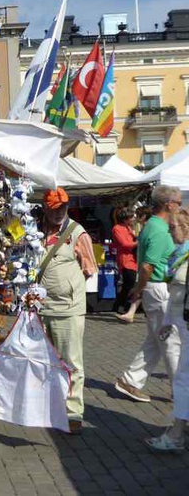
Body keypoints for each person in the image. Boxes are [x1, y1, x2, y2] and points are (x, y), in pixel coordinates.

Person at [115, 185, 183, 403]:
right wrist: (139, 287)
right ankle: (179, 391)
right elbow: (147, 266)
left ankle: (131, 381)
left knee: (156, 340)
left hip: (155, 288)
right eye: (179, 202)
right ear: (168, 204)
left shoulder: (152, 226)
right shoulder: (159, 229)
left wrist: (140, 288)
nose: (180, 207)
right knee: (170, 341)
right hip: (158, 288)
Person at [39, 188, 98, 434]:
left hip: (68, 309)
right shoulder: (38, 230)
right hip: (42, 309)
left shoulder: (77, 232)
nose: (59, 213)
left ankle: (73, 413)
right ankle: (53, 408)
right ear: (46, 209)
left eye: (62, 208)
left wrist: (71, 290)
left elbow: (90, 269)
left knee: (72, 362)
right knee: (48, 362)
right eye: (54, 209)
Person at [146, 208, 189, 452]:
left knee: (183, 379)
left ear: (185, 228)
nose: (169, 232)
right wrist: (167, 323)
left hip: (187, 326)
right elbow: (177, 297)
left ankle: (176, 434)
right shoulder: (179, 256)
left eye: (173, 228)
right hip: (182, 325)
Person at [111, 207, 139, 316]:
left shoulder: (128, 227)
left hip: (132, 258)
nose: (133, 219)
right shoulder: (117, 228)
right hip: (125, 259)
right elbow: (124, 244)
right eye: (131, 217)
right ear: (125, 218)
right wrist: (138, 243)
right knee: (129, 283)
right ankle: (120, 305)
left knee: (129, 283)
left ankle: (121, 305)